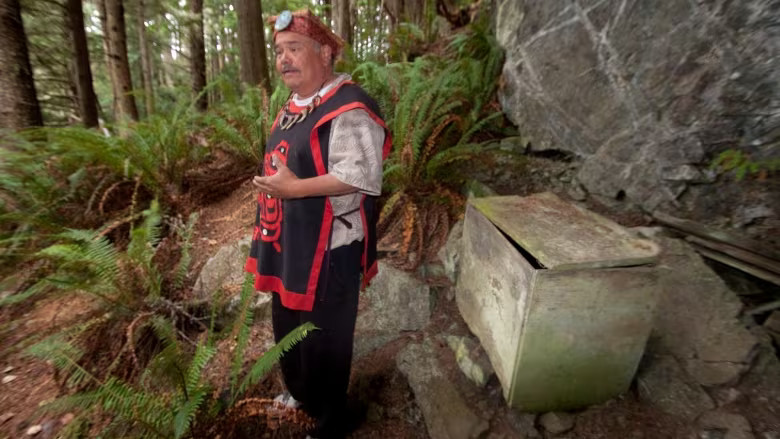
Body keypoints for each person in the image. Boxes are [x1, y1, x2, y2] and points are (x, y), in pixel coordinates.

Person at [244, 9, 391, 439]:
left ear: (324, 53)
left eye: (294, 49)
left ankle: (328, 422)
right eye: (279, 51)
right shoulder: (291, 107)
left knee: (325, 336)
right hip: (291, 241)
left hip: (332, 247)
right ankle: (300, 396)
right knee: (287, 323)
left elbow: (361, 177)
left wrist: (294, 189)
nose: (284, 60)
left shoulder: (350, 107)